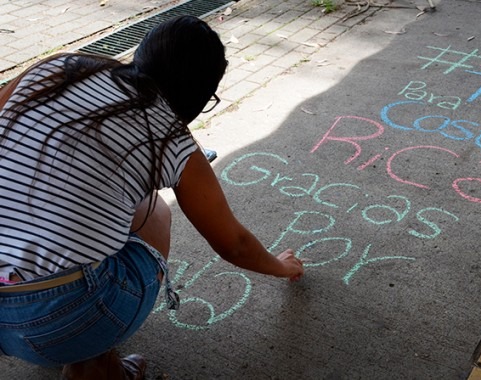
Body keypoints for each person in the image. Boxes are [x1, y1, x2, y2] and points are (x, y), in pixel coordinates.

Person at [0, 15, 304, 379]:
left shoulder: (60, 68)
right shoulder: (171, 139)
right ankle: (94, 363)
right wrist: (282, 266)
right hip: (57, 322)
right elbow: (234, 244)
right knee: (153, 209)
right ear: (200, 95)